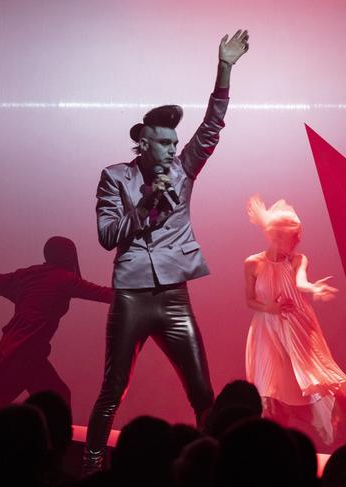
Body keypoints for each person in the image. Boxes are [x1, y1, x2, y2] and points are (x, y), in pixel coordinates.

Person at [83, 30, 250, 472]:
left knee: (201, 391)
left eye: (176, 144)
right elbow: (105, 235)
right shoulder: (116, 176)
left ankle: (216, 465)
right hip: (132, 295)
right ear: (143, 142)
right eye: (164, 143)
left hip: (174, 295)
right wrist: (143, 205)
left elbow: (212, 125)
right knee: (113, 388)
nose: (173, 150)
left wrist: (225, 69)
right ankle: (92, 462)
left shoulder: (183, 171)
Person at [0, 236, 113, 414]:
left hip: (12, 348)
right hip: (25, 351)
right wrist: (141, 295)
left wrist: (24, 294)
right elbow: (104, 294)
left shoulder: (30, 275)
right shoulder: (64, 279)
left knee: (54, 397)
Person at [244, 195, 346, 445]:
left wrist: (313, 289)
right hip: (268, 328)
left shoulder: (298, 259)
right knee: (273, 387)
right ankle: (275, 446)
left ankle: (339, 423)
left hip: (298, 326)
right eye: (290, 236)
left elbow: (301, 282)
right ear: (274, 235)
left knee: (320, 377)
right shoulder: (253, 263)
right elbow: (249, 300)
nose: (294, 242)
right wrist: (270, 307)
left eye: (295, 237)